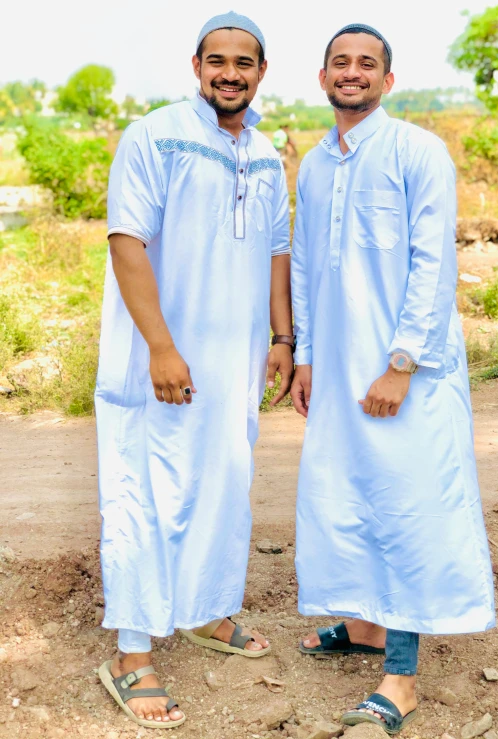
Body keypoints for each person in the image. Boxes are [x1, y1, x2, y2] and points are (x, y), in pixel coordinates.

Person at [290, 23, 495, 735]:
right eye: (340, 63)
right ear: (322, 79)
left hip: (408, 370)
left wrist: (402, 362)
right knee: (348, 493)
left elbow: (432, 265)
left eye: (366, 64)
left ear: (387, 80)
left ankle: (400, 680)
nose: (352, 73)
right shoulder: (314, 166)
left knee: (408, 506)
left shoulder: (417, 152)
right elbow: (307, 267)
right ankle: (368, 625)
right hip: (340, 366)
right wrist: (308, 355)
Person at [95, 11, 294, 730]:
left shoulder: (267, 151)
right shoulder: (155, 134)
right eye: (218, 60)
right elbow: (127, 239)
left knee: (222, 482)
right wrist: (159, 344)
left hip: (231, 361)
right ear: (197, 65)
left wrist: (282, 337)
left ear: (262, 72)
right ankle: (130, 652)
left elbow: (276, 249)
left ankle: (207, 610)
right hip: (155, 357)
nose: (231, 73)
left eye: (245, 62)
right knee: (141, 488)